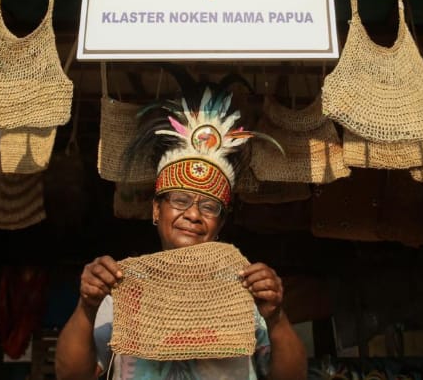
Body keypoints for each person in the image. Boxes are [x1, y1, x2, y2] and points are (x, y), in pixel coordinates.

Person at [55, 83, 307, 379]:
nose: (193, 214)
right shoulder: (125, 290)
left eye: (209, 207)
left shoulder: (243, 292)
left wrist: (275, 317)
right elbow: (72, 375)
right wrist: (87, 306)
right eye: (180, 200)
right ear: (156, 210)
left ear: (220, 224)